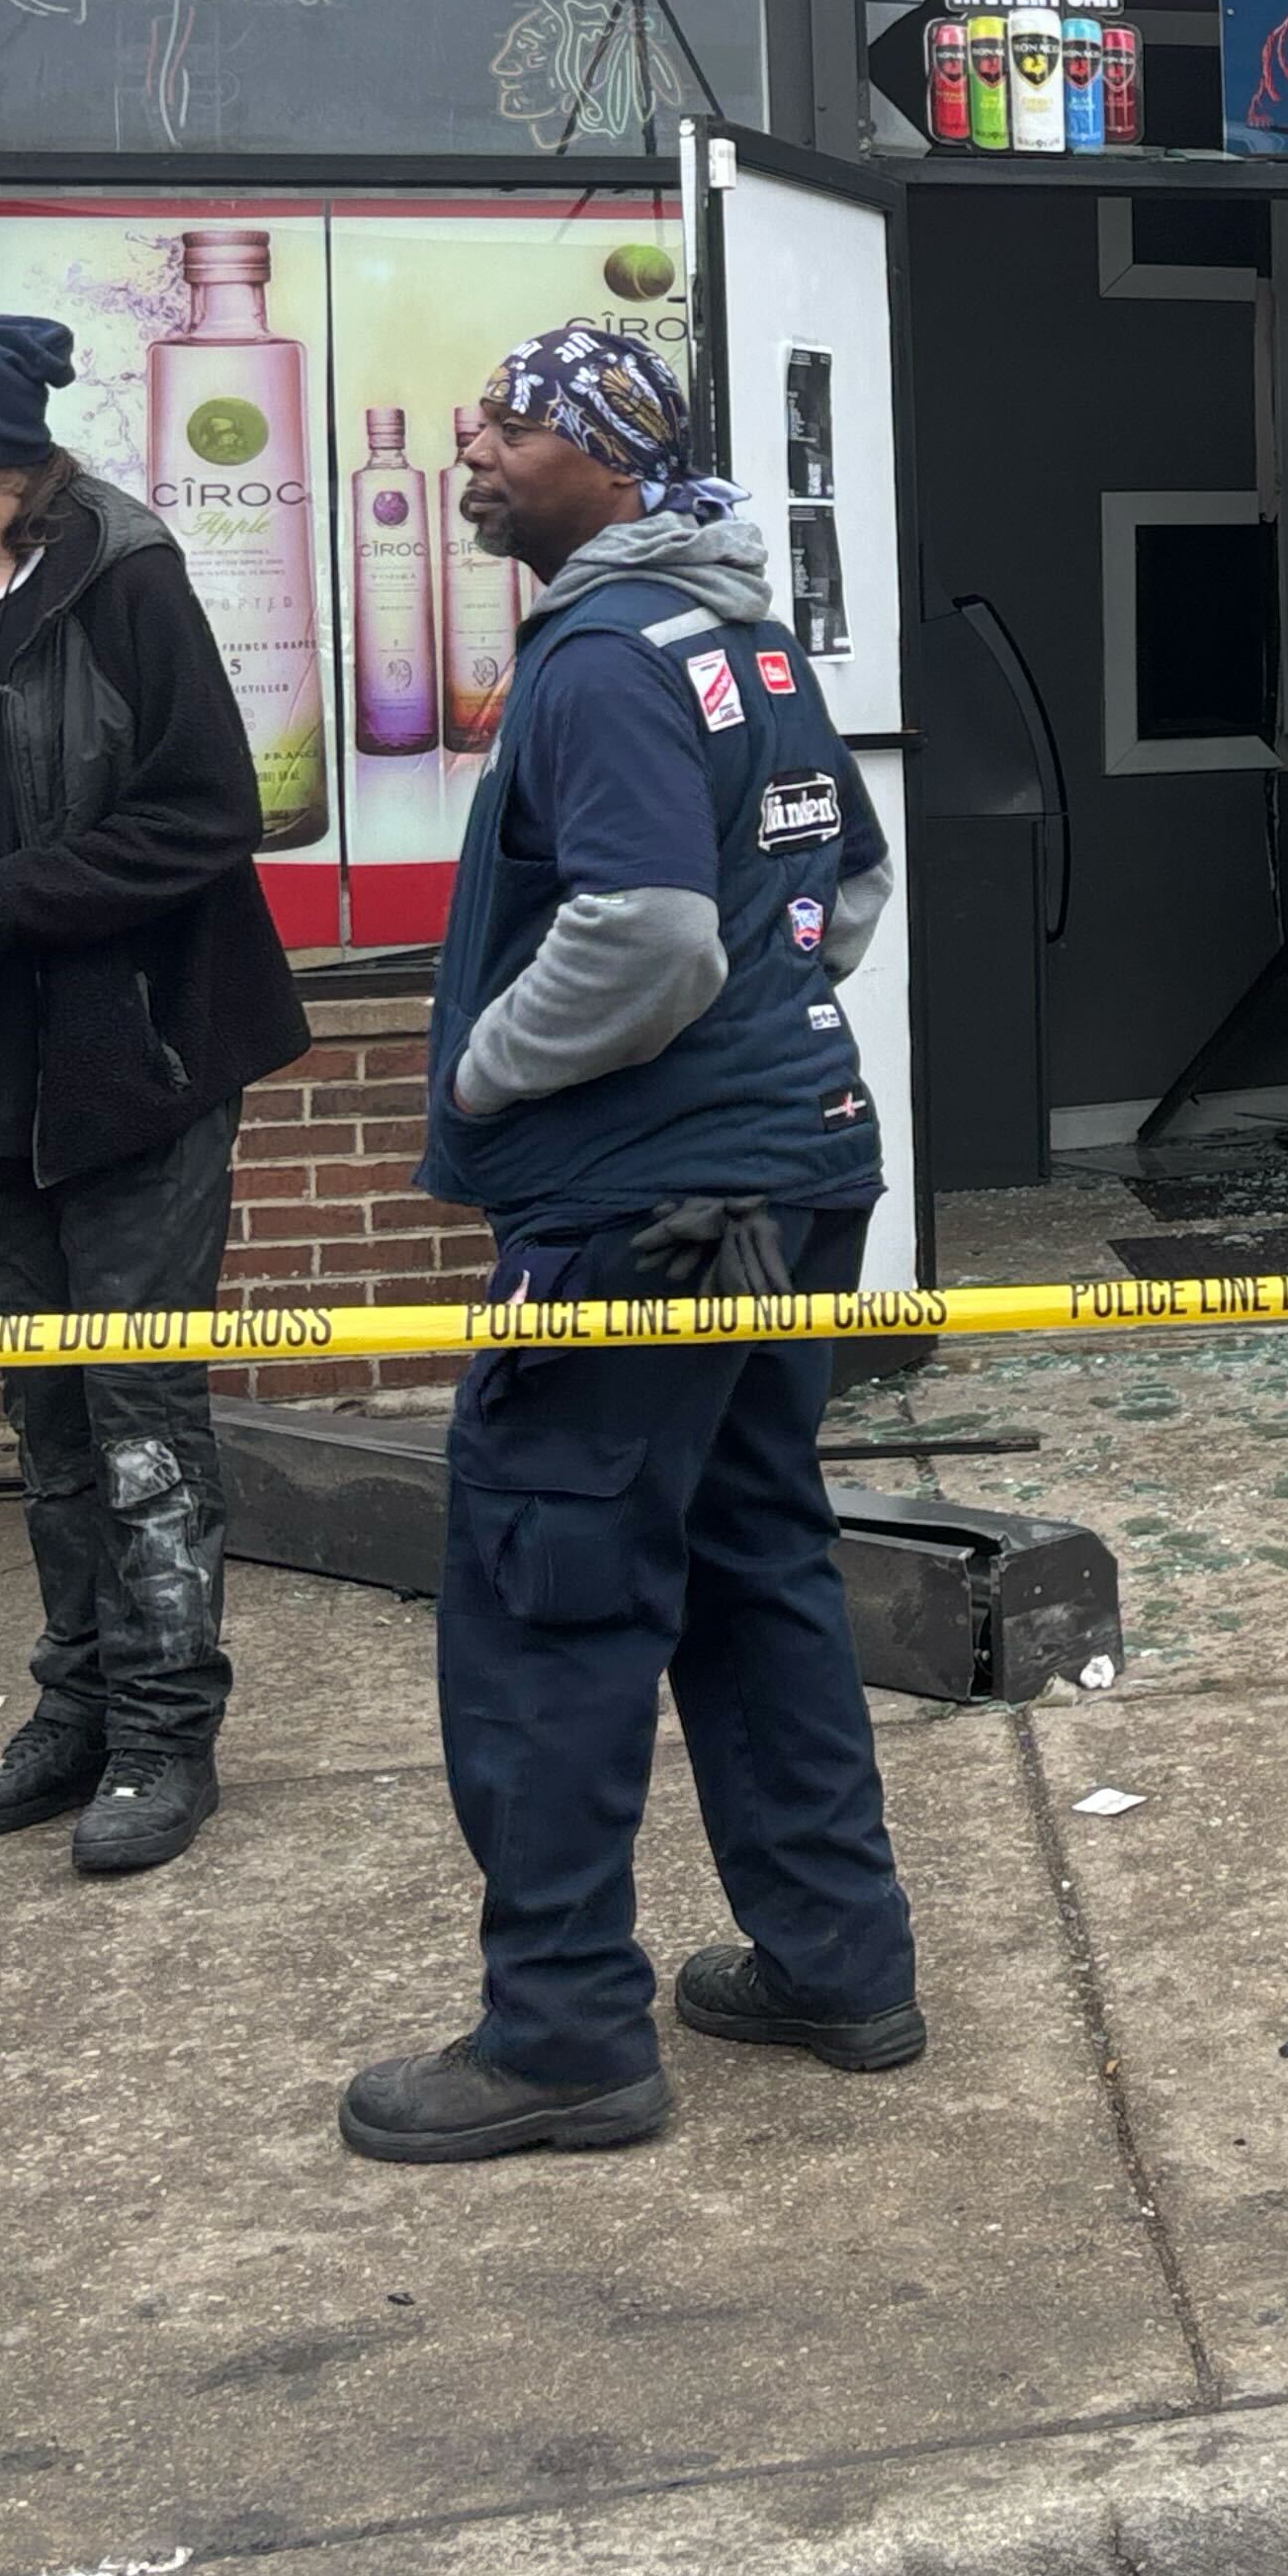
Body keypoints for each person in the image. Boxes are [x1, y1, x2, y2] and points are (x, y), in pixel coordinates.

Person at [340, 322, 912, 2167]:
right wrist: (758, 1034)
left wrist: (496, 1074)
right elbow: (850, 887)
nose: (475, 444)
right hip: (791, 1180)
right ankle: (839, 1963)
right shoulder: (741, 632)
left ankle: (566, 2034)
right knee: (752, 1556)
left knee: (548, 1596)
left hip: (648, 1216)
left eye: (510, 422)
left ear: (603, 458)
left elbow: (652, 939)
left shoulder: (595, 656)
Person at [0, 312, 308, 1880]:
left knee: (140, 1403)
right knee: (43, 1394)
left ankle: (169, 1735)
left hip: (141, 1062)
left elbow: (205, 816)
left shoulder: (122, 578)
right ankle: (76, 1712)